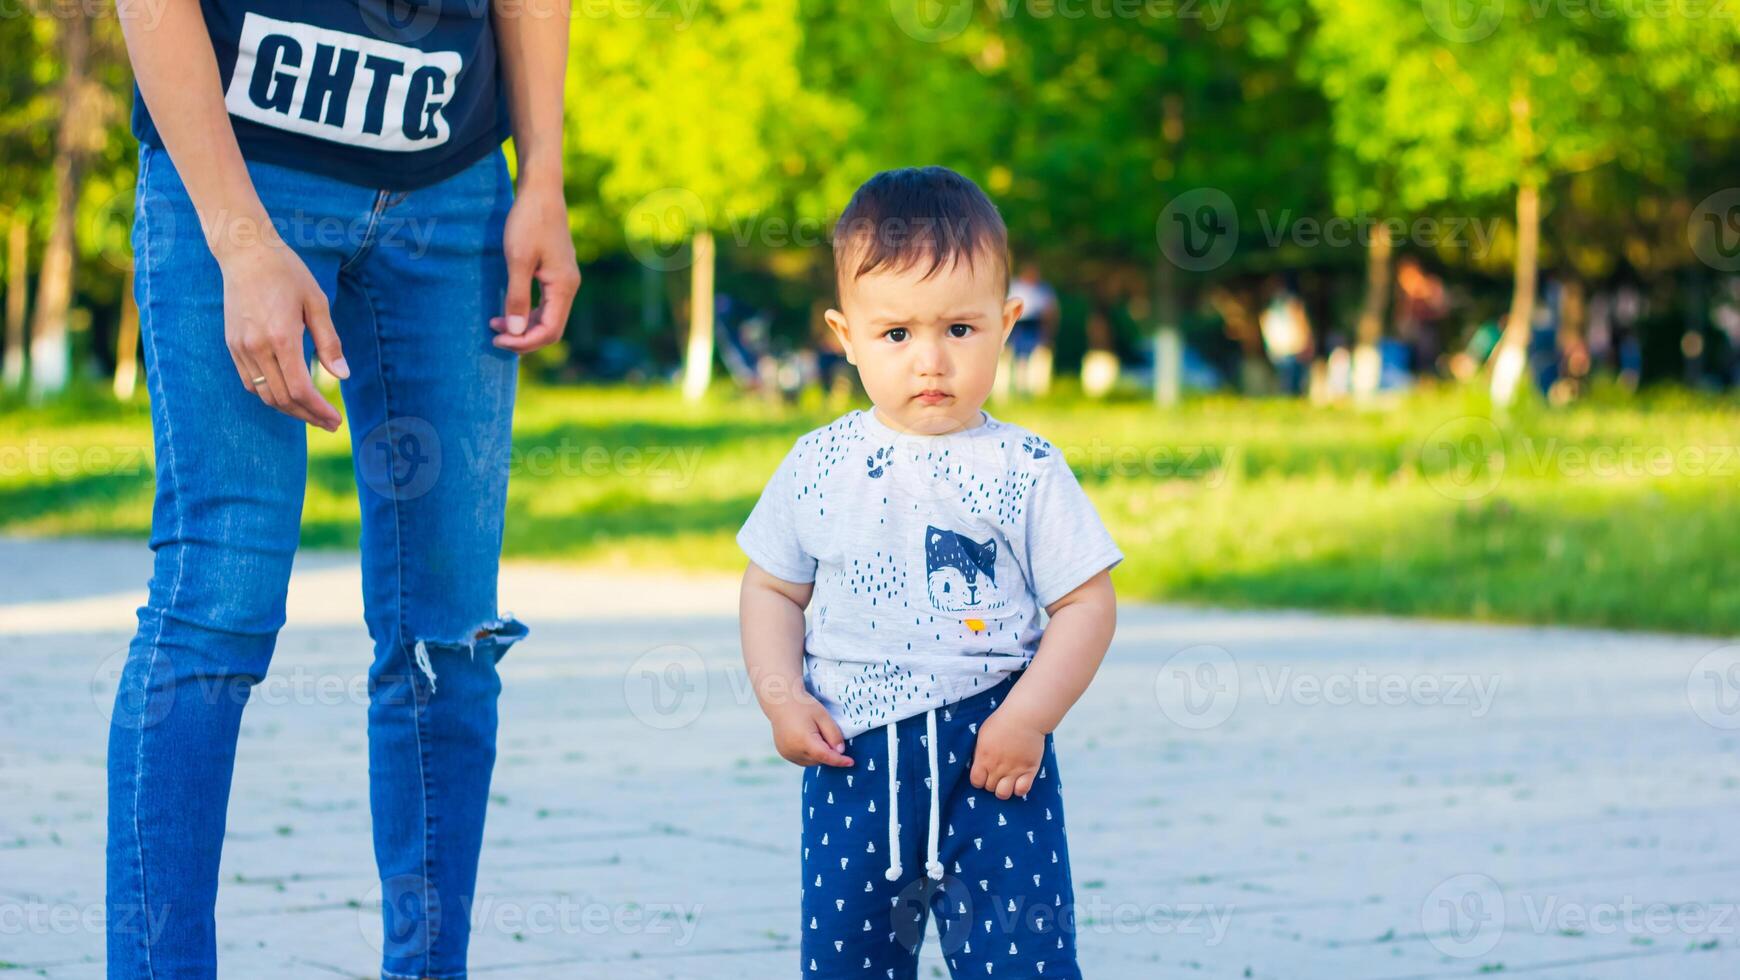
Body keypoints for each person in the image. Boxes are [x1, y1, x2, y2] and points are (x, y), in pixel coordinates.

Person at [108, 3, 580, 977]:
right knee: (217, 598)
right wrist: (240, 242)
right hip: (241, 168)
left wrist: (542, 174)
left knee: (447, 630)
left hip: (452, 187)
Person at [735, 167, 1122, 978]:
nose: (931, 362)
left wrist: (1030, 717)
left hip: (993, 755)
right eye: (897, 335)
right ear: (845, 337)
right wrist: (782, 696)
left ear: (1006, 323)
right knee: (850, 962)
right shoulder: (818, 463)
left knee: (1024, 958)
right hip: (853, 757)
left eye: (960, 330)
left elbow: (1086, 602)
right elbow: (772, 585)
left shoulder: (1025, 468)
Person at [1004, 262, 1060, 397]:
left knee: (1035, 358)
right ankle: (1012, 389)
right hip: (1017, 325)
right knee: (1014, 358)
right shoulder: (1015, 286)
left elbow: (1050, 311)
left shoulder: (1043, 289)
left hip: (1034, 325)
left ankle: (1031, 390)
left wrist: (1048, 331)